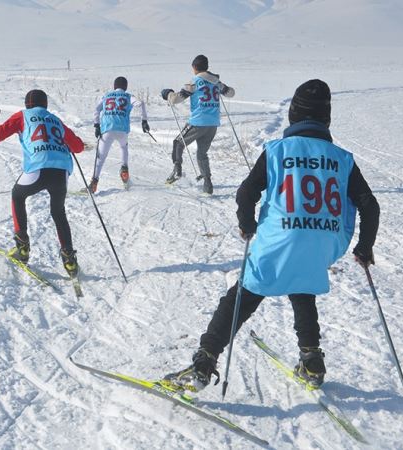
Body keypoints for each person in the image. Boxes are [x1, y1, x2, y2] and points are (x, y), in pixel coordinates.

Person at [163, 79, 380, 392]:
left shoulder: (278, 150)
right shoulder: (343, 159)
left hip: (279, 238)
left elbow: (247, 190)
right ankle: (311, 360)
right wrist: (364, 247)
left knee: (242, 296)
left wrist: (246, 223)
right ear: (325, 118)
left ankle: (205, 359)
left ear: (293, 114)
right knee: (302, 285)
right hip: (323, 243)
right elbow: (369, 205)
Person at [0, 89, 85, 276]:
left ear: (26, 104)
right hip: (61, 171)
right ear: (45, 104)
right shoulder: (55, 120)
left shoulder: (23, 116)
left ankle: (22, 247)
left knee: (18, 195)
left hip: (38, 167)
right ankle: (69, 260)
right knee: (58, 212)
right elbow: (78, 147)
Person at [160, 55, 235, 194]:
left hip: (198, 122)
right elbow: (231, 93)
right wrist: (220, 86)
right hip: (212, 124)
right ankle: (207, 185)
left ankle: (177, 171)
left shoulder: (195, 82)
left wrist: (168, 93)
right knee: (202, 153)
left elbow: (176, 99)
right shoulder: (216, 82)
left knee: (178, 143)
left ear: (194, 67)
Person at [87, 76, 150, 193]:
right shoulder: (128, 96)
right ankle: (124, 168)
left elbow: (97, 109)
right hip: (122, 129)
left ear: (114, 86)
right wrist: (144, 121)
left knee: (100, 157)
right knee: (123, 147)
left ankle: (94, 182)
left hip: (107, 129)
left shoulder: (106, 96)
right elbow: (141, 103)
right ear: (125, 87)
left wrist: (96, 125)